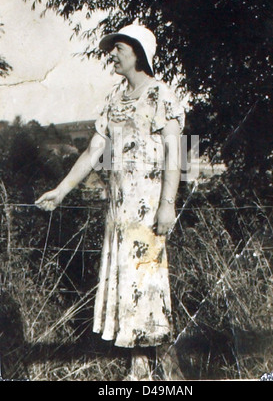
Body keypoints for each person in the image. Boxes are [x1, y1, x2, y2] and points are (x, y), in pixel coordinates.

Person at [35, 24, 185, 380]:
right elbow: (93, 151)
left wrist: (168, 202)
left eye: (119, 48)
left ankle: (172, 370)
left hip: (148, 209)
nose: (112, 55)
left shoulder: (161, 94)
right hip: (118, 210)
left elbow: (174, 154)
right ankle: (139, 367)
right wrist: (61, 189)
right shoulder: (114, 98)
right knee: (128, 281)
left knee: (149, 281)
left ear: (139, 53)